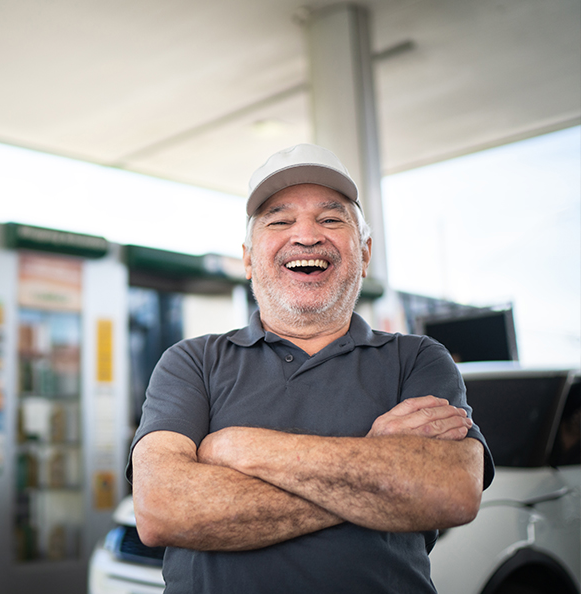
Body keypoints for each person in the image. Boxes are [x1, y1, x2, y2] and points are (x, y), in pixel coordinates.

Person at [128, 143, 494, 593]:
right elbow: (162, 508)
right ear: (247, 258)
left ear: (364, 254)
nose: (305, 235)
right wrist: (376, 463)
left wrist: (242, 448)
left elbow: (451, 490)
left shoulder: (418, 359)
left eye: (330, 219)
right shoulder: (191, 362)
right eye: (280, 221)